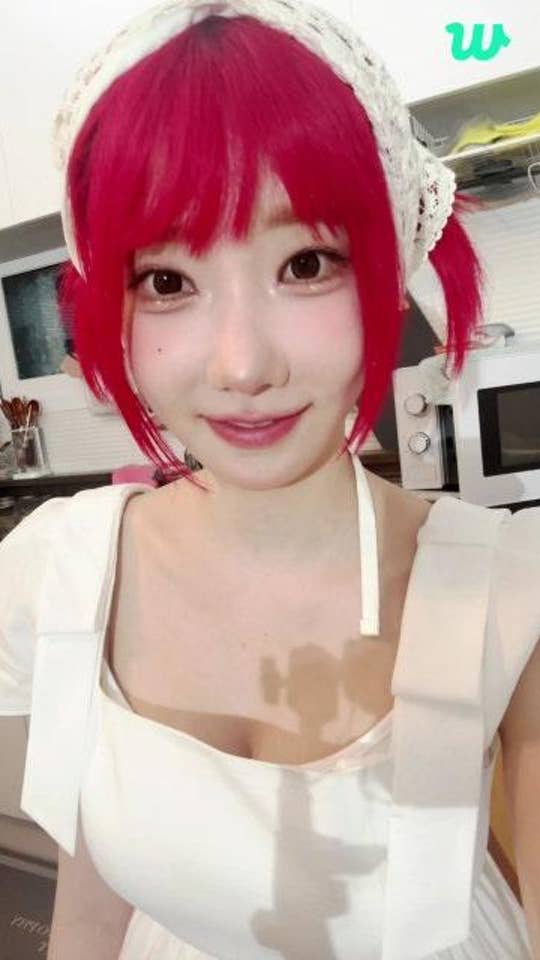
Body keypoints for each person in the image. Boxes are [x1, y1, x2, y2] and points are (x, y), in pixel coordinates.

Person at [1, 2, 539, 958]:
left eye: (307, 262)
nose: (242, 367)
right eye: (167, 281)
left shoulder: (508, 587)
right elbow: (91, 907)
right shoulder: (61, 572)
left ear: (388, 271)